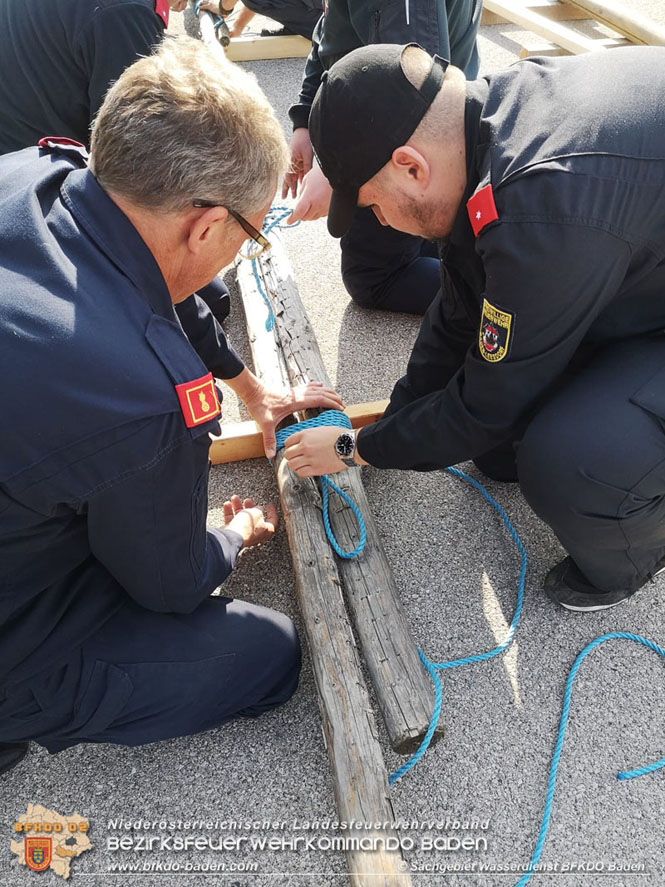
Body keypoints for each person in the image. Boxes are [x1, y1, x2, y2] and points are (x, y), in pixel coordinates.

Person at [0, 36, 343, 777]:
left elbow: (157, 290)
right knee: (270, 655)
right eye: (248, 235)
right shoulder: (135, 394)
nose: (236, 253)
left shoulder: (36, 176)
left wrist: (252, 390)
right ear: (207, 225)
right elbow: (171, 582)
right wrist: (229, 533)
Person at [282, 42, 665, 613]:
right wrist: (401, 414)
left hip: (614, 252)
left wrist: (355, 446)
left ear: (411, 166)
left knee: (570, 459)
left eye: (373, 205)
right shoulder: (484, 129)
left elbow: (485, 407)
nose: (380, 222)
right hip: (636, 254)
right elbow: (461, 301)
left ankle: (632, 558)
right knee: (497, 452)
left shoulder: (543, 209)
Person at [0, 0, 232, 327]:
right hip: (42, 196)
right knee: (208, 303)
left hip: (16, 162)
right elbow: (131, 167)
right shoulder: (124, 13)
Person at [282, 0, 482, 314]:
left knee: (375, 276)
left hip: (423, 143)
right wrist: (306, 119)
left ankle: (508, 300)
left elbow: (414, 88)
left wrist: (337, 170)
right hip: (430, 133)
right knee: (427, 238)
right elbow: (332, 25)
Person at [197, 0, 322, 39]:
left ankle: (315, 30)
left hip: (327, 21)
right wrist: (238, 27)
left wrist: (222, 9)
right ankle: (295, 26)